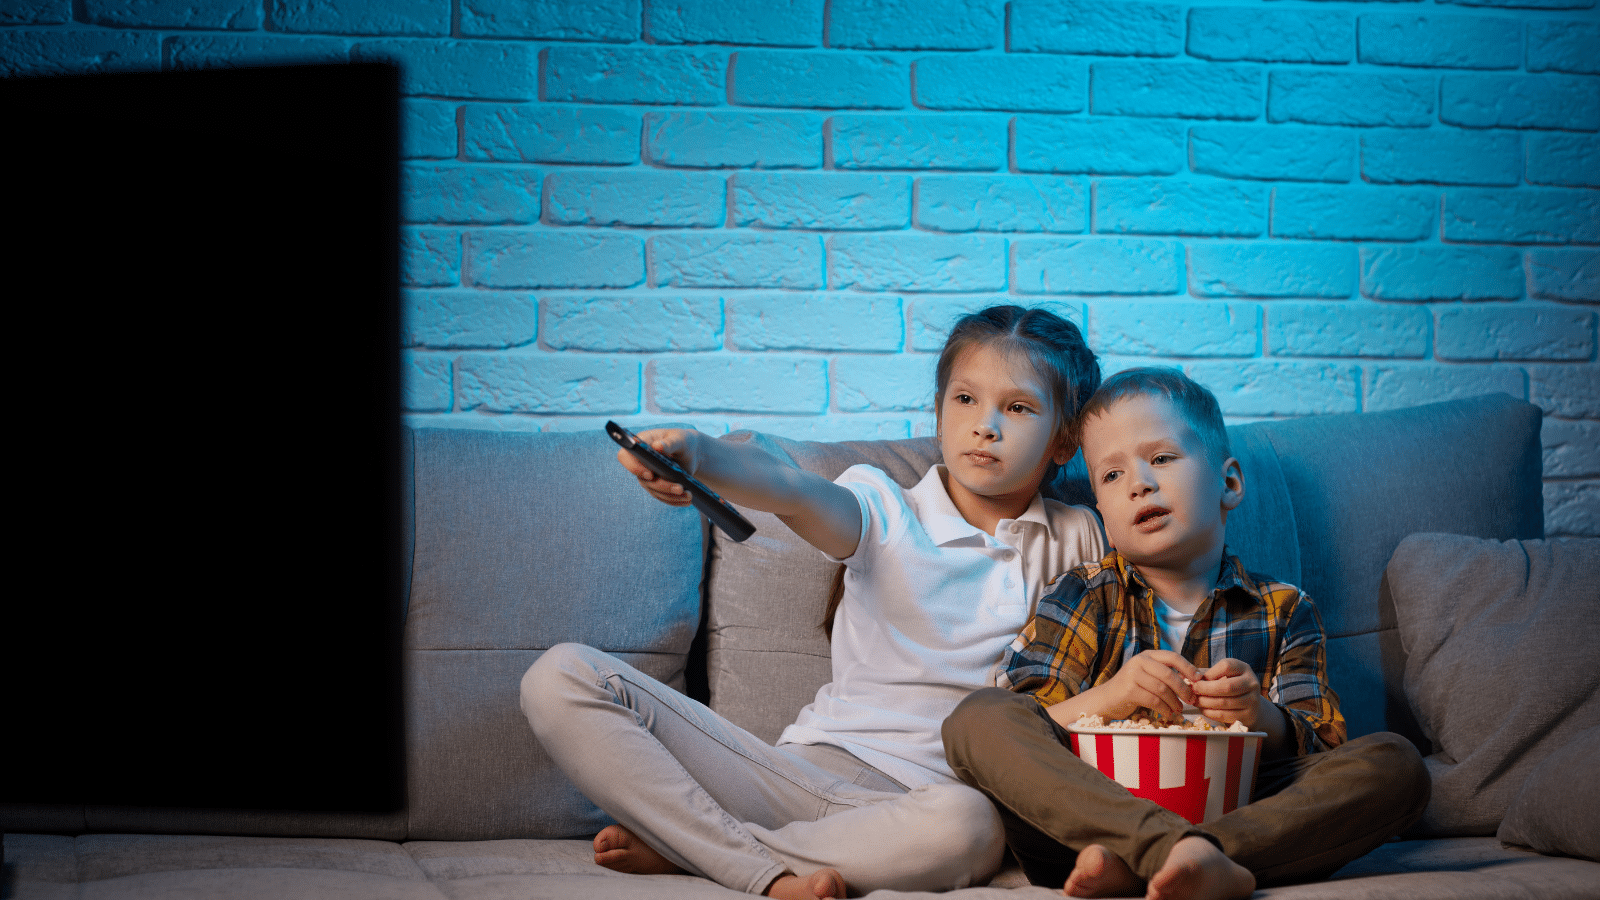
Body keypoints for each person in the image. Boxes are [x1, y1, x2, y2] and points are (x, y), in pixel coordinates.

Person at [520, 305, 1107, 900]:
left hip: (924, 808)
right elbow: (791, 491)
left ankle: (700, 851)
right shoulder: (882, 505)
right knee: (561, 675)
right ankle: (753, 865)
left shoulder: (1079, 536)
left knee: (974, 828)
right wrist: (701, 455)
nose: (987, 426)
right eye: (965, 400)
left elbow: (1167, 564)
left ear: (1063, 440)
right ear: (937, 409)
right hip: (798, 776)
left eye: (1018, 407)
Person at [942, 367, 1430, 900]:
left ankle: (1179, 859)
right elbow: (1031, 724)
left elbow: (1320, 742)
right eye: (1111, 476)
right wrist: (1114, 695)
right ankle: (1172, 852)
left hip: (1233, 802)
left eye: (1161, 458)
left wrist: (1258, 716)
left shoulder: (1282, 609)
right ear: (1102, 512)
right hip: (1087, 818)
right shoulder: (1084, 594)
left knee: (1395, 763)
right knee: (978, 717)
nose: (1139, 483)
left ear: (1229, 482)